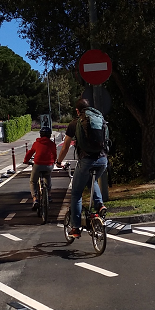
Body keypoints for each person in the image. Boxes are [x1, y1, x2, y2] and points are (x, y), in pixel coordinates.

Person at [56, 98, 108, 238]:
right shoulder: (99, 118)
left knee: (76, 193)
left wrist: (58, 161)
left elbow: (65, 146)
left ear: (77, 111)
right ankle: (100, 205)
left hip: (86, 161)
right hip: (103, 159)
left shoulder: (75, 123)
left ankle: (76, 227)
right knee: (92, 181)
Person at [23, 126, 57, 211]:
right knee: (48, 177)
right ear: (49, 135)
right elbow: (54, 154)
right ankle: (48, 195)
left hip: (38, 164)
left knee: (33, 181)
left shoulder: (37, 143)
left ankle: (35, 199)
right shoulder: (52, 144)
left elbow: (30, 153)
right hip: (49, 165)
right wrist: (54, 161)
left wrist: (26, 161)